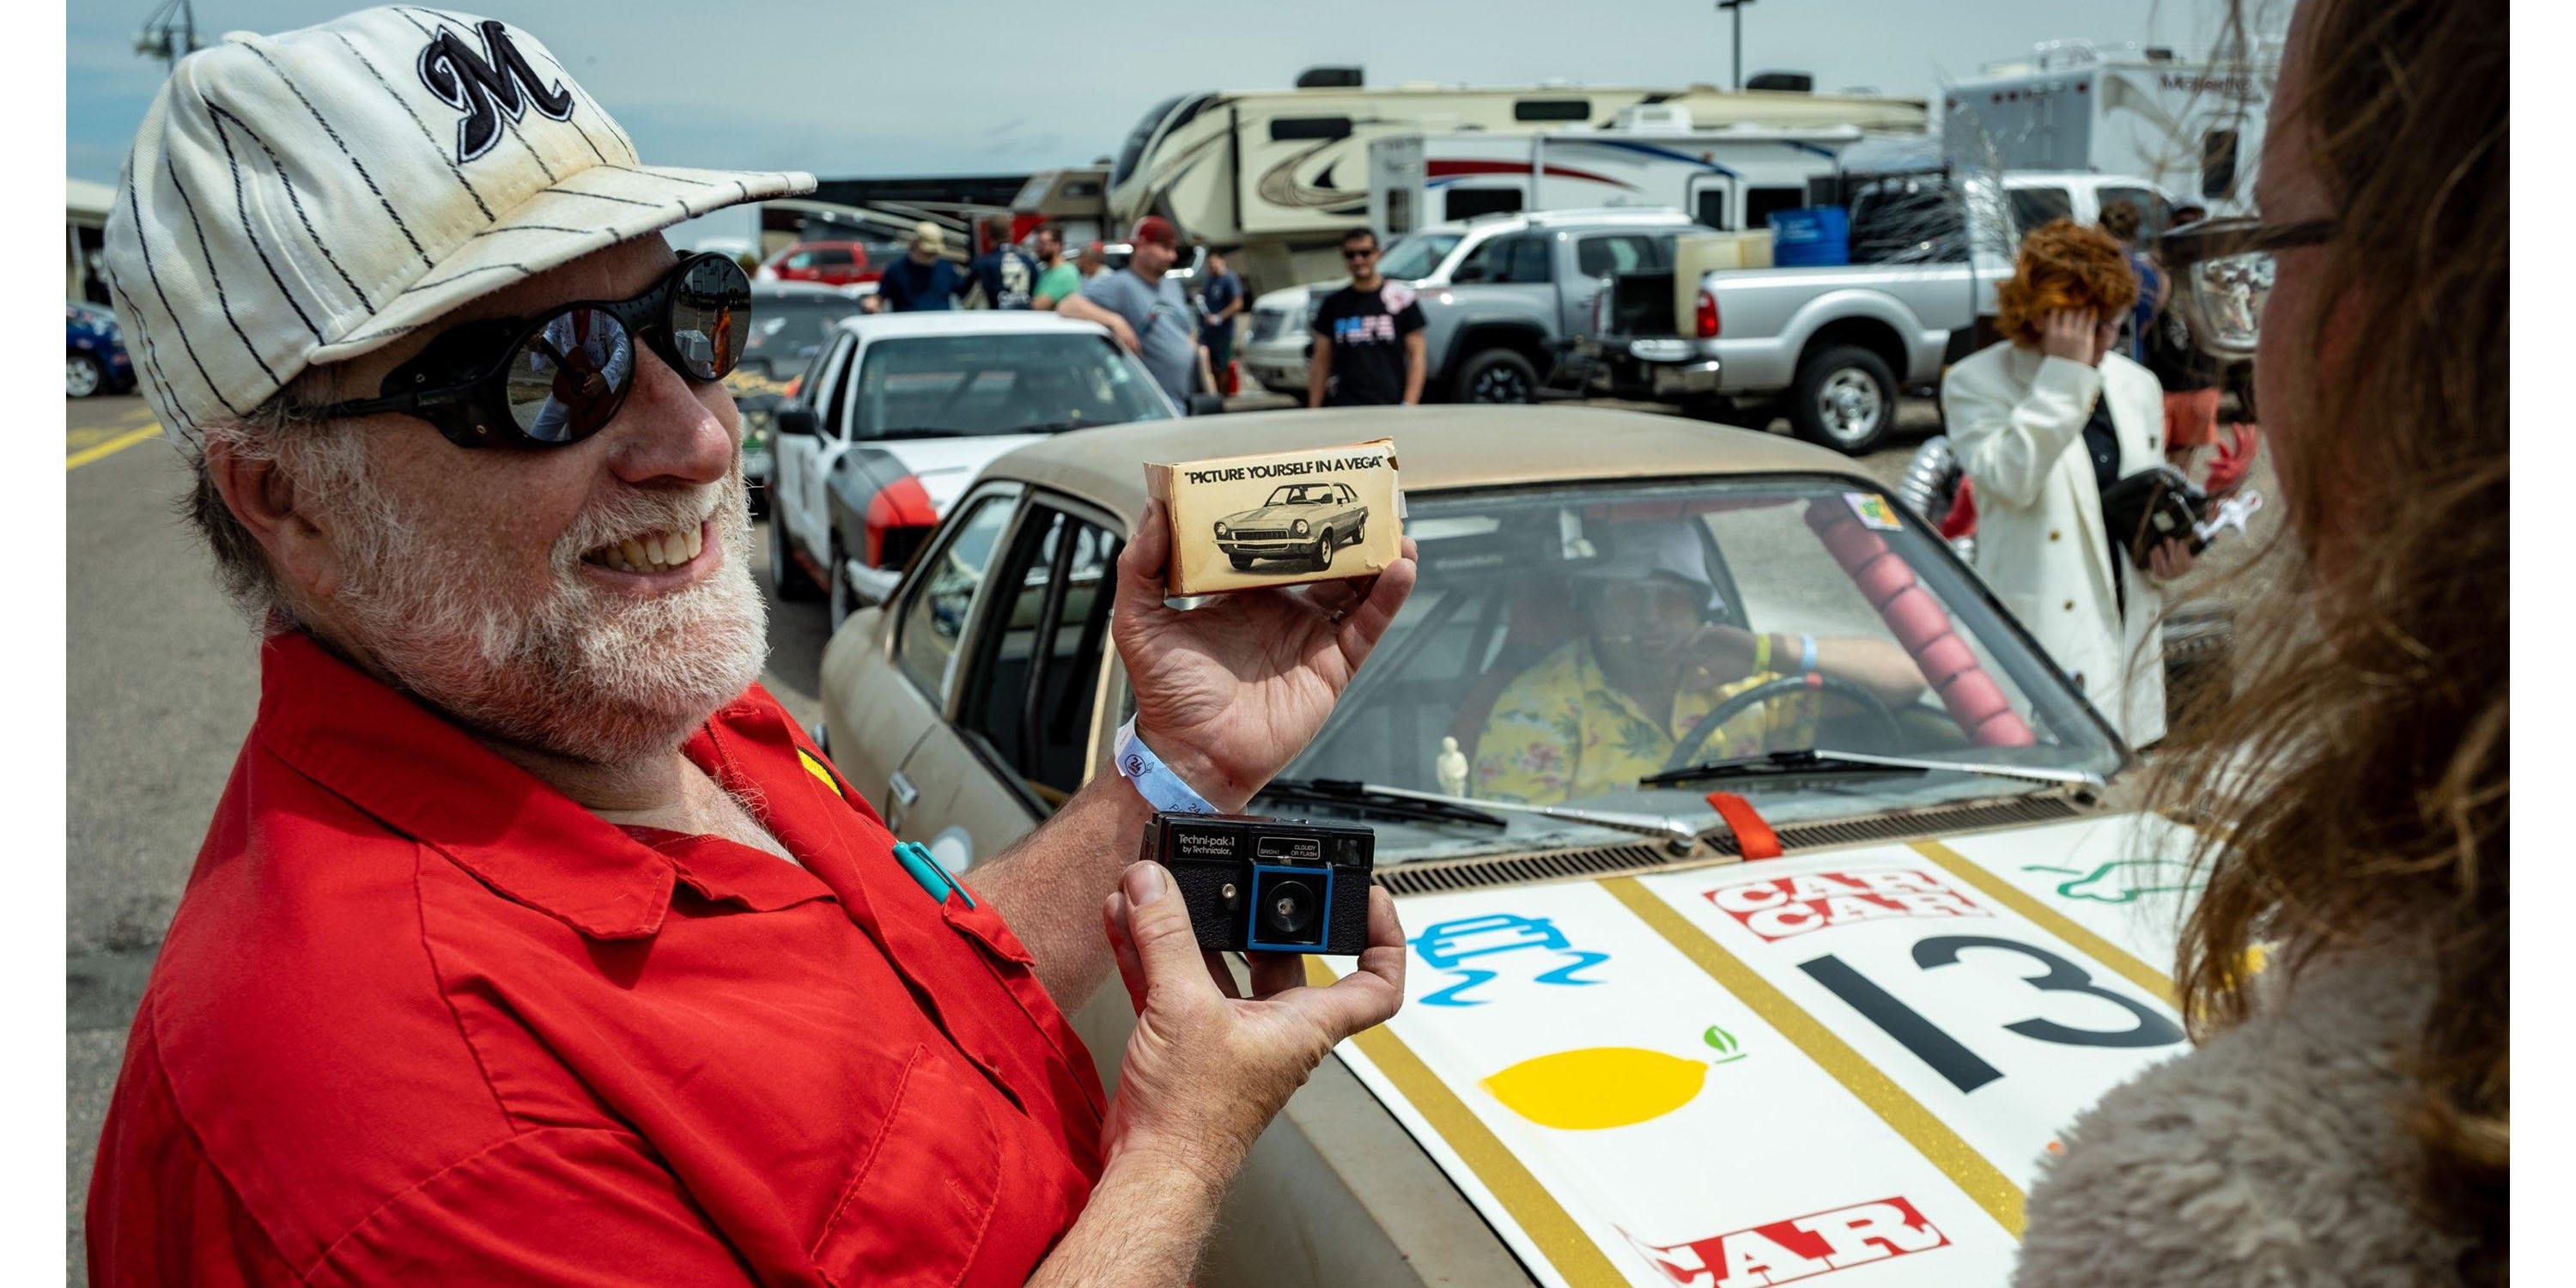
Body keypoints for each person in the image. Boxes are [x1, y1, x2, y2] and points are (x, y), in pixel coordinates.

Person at [85, 10, 1422, 1285]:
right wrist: (1178, 1154)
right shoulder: (399, 1123)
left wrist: (1175, 768)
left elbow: (919, 1011)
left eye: (693, 319)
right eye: (549, 373)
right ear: (285, 496)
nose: (703, 437)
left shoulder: (617, 699)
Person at [2013, 0, 2506, 1282]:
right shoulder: (1988, 381)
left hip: (2108, 635)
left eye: (2272, 256)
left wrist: (2167, 518)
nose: (2095, 328)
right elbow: (2011, 477)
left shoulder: (2223, 1206)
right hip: (2026, 625)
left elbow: (2149, 481)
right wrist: (2062, 380)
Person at [1941, 219, 2190, 747]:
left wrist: (2170, 557)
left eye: (2116, 326)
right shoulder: (1975, 383)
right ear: (2042, 316)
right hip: (2044, 644)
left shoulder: (2135, 385)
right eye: (2093, 326)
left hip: (2127, 632)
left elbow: (2131, 507)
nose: (2106, 343)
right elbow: (2010, 480)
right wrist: (2063, 377)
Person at [1474, 525, 1923, 805]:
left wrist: (1765, 651)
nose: (1651, 617)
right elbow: (1528, 845)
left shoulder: (1739, 678)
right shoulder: (1539, 703)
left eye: (1671, 598)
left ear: (1700, 608)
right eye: (1629, 597)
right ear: (1593, 610)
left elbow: (1906, 680)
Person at [1059, 216, 1199, 406]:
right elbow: (1068, 305)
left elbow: (1185, 331)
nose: (1172, 256)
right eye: (1165, 248)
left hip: (1184, 399)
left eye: (1173, 250)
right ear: (1142, 246)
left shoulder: (1172, 286)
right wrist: (1114, 320)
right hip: (1152, 404)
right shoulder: (1122, 284)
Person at [1309, 228, 1426, 407]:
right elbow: (1321, 359)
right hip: (1344, 406)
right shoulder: (1333, 304)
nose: (1358, 260)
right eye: (1351, 254)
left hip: (1390, 404)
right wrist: (1314, 408)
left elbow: (1417, 356)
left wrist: (1409, 403)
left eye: (1365, 253)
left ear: (1378, 254)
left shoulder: (1401, 299)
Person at [2097, 199, 2167, 363]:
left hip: (2098, 359)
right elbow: (2145, 327)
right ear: (2135, 231)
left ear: (2100, 227)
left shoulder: (2094, 267)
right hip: (2133, 362)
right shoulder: (2150, 276)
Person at [875, 220, 969, 313]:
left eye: (934, 253)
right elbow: (879, 298)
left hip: (942, 325)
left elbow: (965, 294)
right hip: (906, 325)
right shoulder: (896, 269)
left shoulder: (947, 269)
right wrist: (871, 304)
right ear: (915, 243)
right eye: (927, 252)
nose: (931, 255)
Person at [1197, 246, 1245, 392]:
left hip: (1223, 332)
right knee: (1208, 363)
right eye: (1209, 263)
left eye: (1214, 262)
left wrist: (1220, 317)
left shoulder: (1230, 279)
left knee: (1223, 364)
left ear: (1221, 261)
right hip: (1208, 332)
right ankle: (1214, 391)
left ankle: (1224, 394)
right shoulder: (1210, 280)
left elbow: (1238, 303)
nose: (1212, 266)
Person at [967, 214, 1038, 310]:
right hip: (1027, 319)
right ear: (1012, 232)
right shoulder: (1029, 261)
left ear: (988, 234)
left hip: (999, 320)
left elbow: (963, 292)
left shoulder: (983, 263)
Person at [1032, 225, 1081, 310]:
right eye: (1037, 243)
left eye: (1043, 243)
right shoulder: (1044, 271)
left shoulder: (1065, 273)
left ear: (1057, 245)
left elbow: (1038, 306)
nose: (1038, 248)